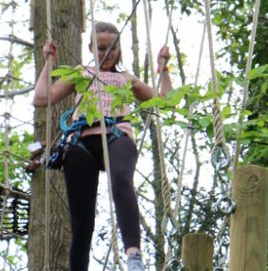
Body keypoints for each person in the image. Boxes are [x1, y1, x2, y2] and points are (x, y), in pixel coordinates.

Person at [33, 21, 173, 271]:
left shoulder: (125, 78)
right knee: (82, 222)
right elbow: (41, 98)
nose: (107, 54)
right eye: (100, 48)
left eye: (112, 48)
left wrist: (164, 70)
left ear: (120, 49)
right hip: (81, 142)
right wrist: (48, 62)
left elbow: (165, 101)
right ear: (90, 48)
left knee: (121, 179)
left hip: (117, 135)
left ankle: (133, 256)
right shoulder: (80, 73)